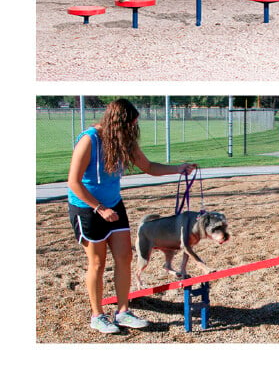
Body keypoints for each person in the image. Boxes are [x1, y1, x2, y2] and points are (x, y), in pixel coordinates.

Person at [67, 98, 198, 333]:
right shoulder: (89, 140)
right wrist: (99, 208)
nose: (133, 130)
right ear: (117, 122)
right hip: (87, 208)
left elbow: (149, 167)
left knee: (125, 257)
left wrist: (178, 168)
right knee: (97, 263)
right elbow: (74, 182)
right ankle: (97, 316)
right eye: (130, 125)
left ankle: (123, 311)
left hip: (114, 205)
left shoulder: (123, 141)